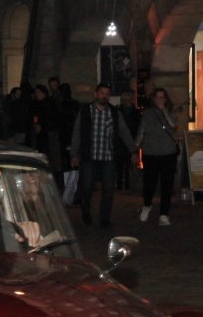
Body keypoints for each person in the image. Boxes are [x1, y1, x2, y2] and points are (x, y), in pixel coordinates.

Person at [70, 82, 136, 229]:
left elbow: (124, 132)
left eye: (107, 94)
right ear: (96, 94)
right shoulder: (85, 111)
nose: (104, 96)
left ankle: (104, 218)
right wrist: (74, 154)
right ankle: (86, 212)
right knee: (87, 187)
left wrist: (133, 150)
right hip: (89, 157)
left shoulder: (114, 113)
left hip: (108, 157)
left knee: (108, 190)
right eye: (102, 93)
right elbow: (77, 133)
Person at [136, 87, 183, 226]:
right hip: (150, 153)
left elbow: (173, 124)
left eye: (162, 97)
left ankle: (164, 214)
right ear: (153, 99)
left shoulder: (171, 112)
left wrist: (164, 111)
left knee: (167, 184)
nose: (160, 99)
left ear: (166, 99)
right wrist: (135, 149)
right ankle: (147, 205)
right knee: (149, 183)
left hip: (168, 153)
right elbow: (141, 131)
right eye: (157, 97)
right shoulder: (147, 114)